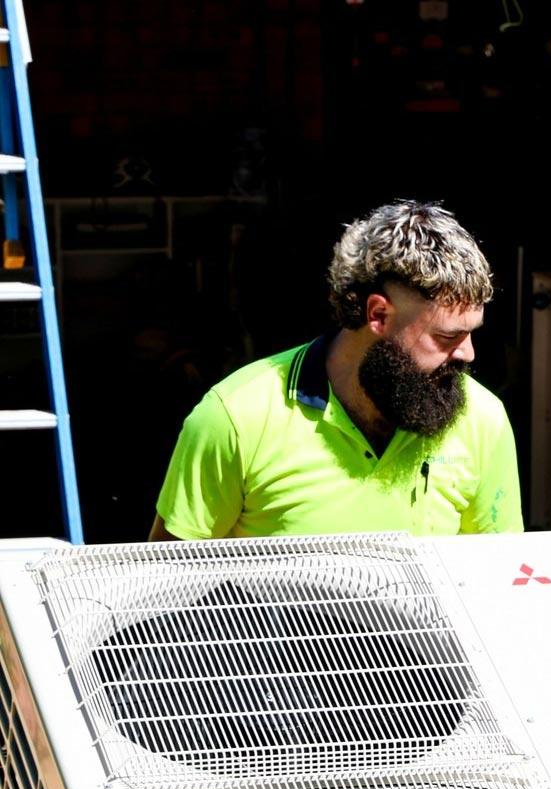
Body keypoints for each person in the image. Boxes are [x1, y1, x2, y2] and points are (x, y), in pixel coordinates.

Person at [150, 199, 522, 541]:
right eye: (446, 337)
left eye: (472, 333)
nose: (468, 354)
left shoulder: (483, 418)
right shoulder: (234, 416)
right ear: (377, 315)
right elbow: (164, 583)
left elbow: (501, 578)